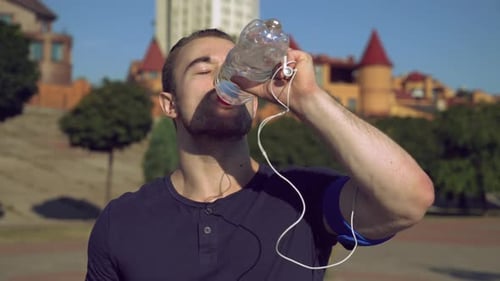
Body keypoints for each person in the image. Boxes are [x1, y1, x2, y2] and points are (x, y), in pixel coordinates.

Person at [85, 29, 434, 281]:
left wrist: (307, 100)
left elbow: (410, 199)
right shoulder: (122, 220)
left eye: (235, 68)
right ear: (169, 104)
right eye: (204, 70)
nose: (228, 80)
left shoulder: (301, 197)